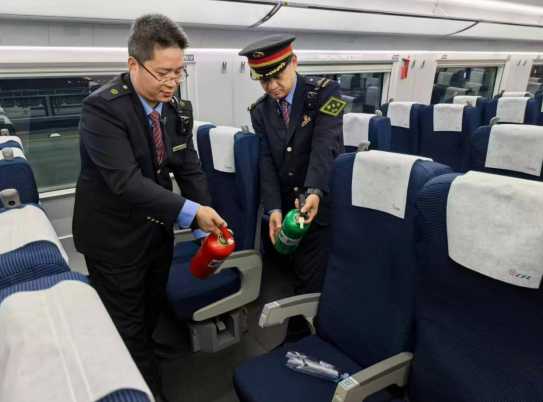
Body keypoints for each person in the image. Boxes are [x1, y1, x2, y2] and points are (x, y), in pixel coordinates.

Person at [73, 14, 226, 402]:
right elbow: (125, 181)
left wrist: (204, 221)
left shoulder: (176, 108)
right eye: (162, 73)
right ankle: (145, 390)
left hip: (156, 231)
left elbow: (188, 166)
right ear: (133, 64)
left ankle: (148, 352)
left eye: (178, 72)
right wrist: (190, 212)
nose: (172, 82)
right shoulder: (102, 110)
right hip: (113, 239)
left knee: (151, 304)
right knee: (126, 324)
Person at [239, 35, 345, 336]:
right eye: (264, 80)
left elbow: (325, 145)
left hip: (321, 202)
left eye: (277, 76)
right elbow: (267, 163)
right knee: (297, 272)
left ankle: (301, 339)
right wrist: (273, 208)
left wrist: (314, 191)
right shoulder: (260, 111)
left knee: (312, 278)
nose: (272, 86)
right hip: (288, 210)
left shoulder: (326, 92)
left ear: (294, 62)